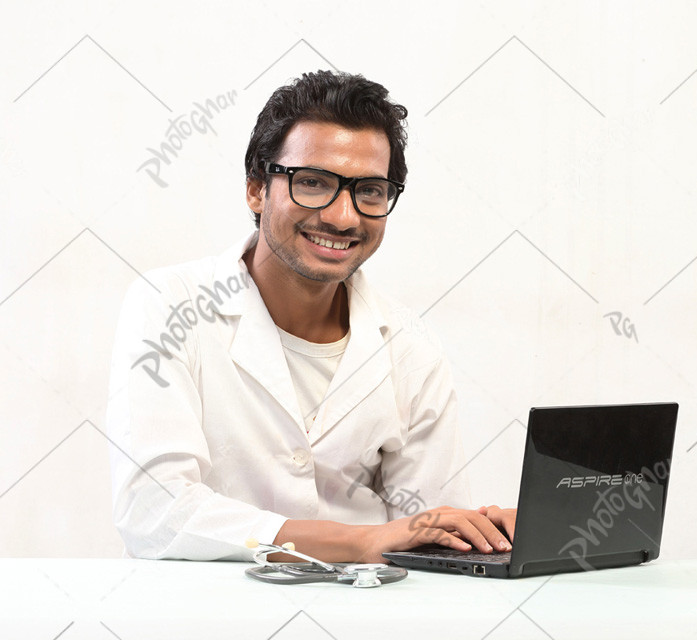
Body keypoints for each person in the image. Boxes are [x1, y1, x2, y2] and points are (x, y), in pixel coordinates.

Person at [106, 70, 515, 564]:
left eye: (369, 190)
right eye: (314, 183)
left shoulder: (409, 344)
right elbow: (154, 513)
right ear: (257, 189)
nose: (343, 217)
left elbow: (428, 533)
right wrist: (362, 541)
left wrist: (480, 533)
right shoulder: (170, 306)